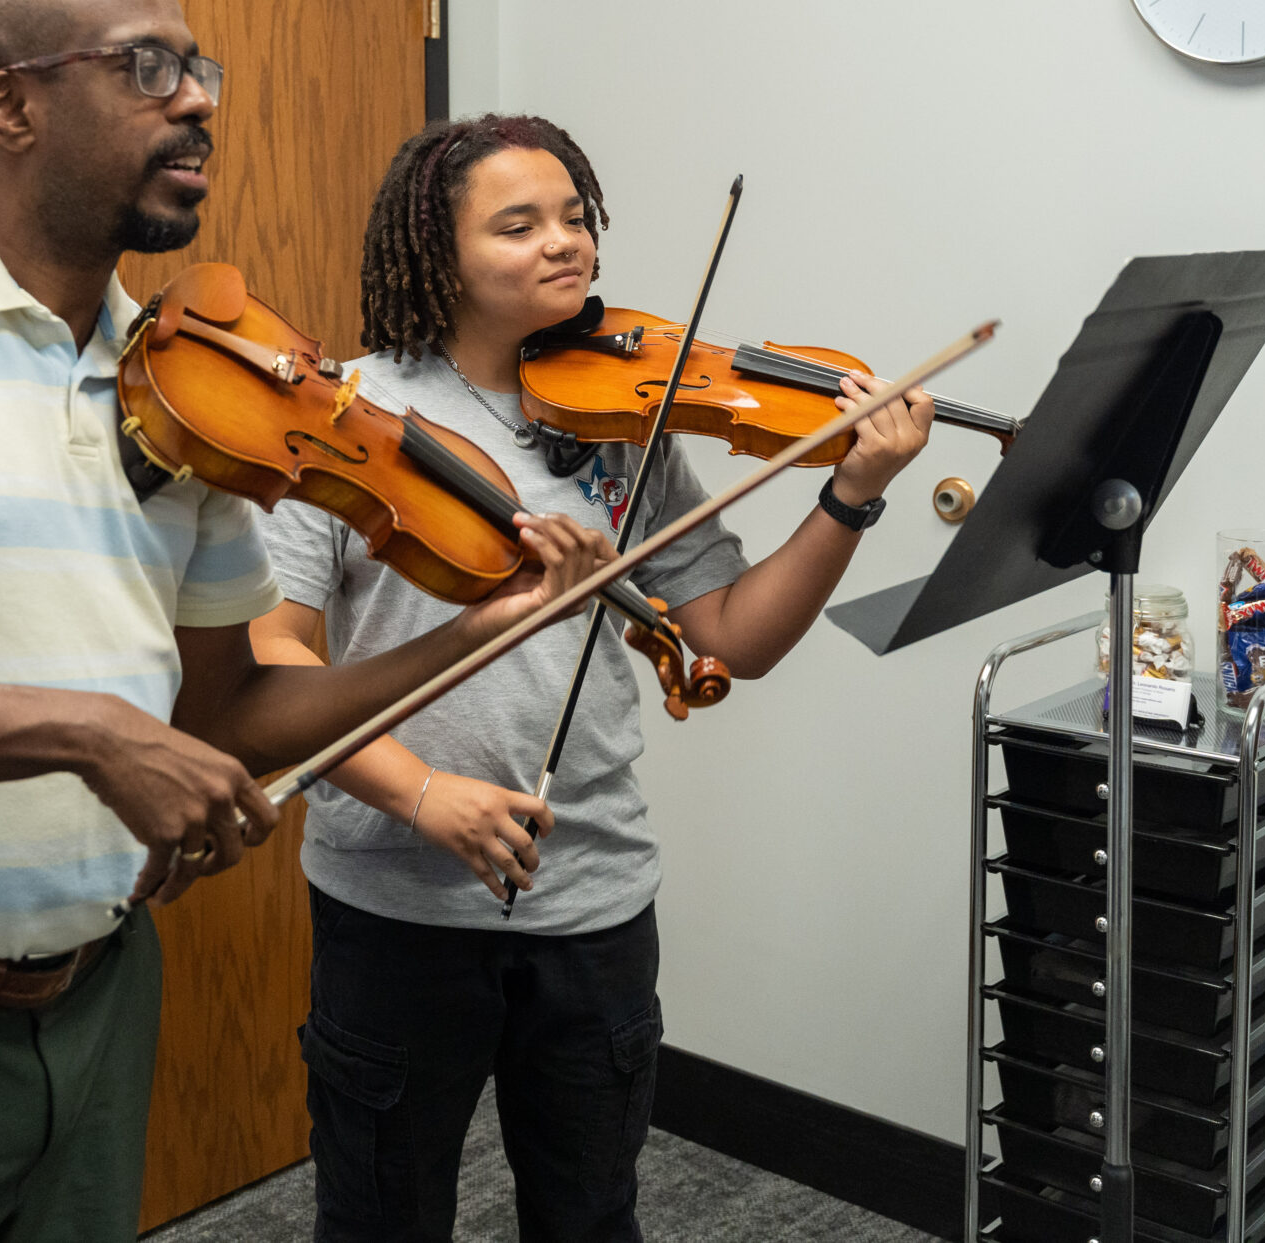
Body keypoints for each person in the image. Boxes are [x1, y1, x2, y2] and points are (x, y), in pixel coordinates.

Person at [0, 0, 612, 1243]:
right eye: (147, 66)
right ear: (8, 105)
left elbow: (236, 710)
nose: (197, 101)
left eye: (200, 70)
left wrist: (482, 633)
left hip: (94, 1002)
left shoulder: (188, 385)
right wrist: (96, 734)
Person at [248, 114, 936, 1243]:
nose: (563, 242)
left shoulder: (626, 420)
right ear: (436, 251)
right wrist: (424, 795)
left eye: (574, 216)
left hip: (592, 895)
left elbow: (726, 638)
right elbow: (273, 660)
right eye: (517, 225)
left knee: (589, 1217)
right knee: (381, 1217)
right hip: (393, 903)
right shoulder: (342, 415)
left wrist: (849, 498)